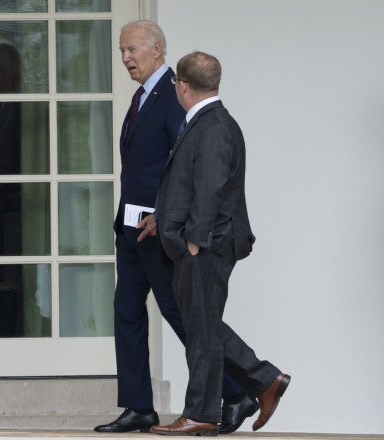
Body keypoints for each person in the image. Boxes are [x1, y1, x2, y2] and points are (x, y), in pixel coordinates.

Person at [94, 21, 257, 434]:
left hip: (157, 229)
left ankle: (236, 393)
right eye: (121, 51)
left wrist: (163, 215)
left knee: (185, 316)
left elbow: (186, 165)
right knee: (126, 312)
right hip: (130, 228)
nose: (126, 58)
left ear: (158, 49)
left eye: (132, 50)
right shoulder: (141, 96)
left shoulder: (176, 94)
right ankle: (138, 407)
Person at [150, 51, 290, 436]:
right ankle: (263, 381)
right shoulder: (210, 122)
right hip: (204, 242)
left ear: (181, 85)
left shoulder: (212, 127)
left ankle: (201, 413)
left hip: (206, 245)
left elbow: (209, 190)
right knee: (204, 328)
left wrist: (193, 242)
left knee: (203, 333)